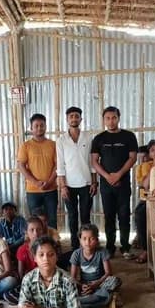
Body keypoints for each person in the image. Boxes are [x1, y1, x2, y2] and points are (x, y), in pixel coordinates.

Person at [5, 236, 91, 308]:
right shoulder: (28, 279)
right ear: (34, 258)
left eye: (50, 254)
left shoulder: (67, 280)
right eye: (41, 255)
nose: (46, 259)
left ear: (56, 257)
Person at [91, 106, 138, 259]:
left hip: (123, 183)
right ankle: (110, 247)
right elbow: (94, 161)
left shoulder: (129, 136)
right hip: (106, 185)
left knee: (124, 216)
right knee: (109, 216)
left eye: (114, 118)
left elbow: (132, 158)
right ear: (104, 120)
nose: (111, 121)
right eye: (108, 118)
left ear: (118, 118)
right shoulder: (99, 139)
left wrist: (119, 174)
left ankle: (125, 247)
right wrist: (107, 176)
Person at [56, 106, 97, 251]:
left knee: (85, 217)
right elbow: (60, 165)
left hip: (86, 183)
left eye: (76, 116)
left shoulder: (88, 138)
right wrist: (63, 187)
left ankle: (87, 245)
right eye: (71, 116)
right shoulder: (61, 140)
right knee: (72, 216)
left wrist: (94, 182)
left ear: (81, 119)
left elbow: (92, 163)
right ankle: (75, 246)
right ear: (67, 119)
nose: (74, 119)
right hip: (69, 185)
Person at [70, 224, 122, 308]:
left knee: (114, 280)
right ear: (80, 240)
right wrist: (81, 286)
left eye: (91, 239)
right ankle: (100, 300)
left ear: (97, 240)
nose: (87, 242)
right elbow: (73, 277)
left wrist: (96, 284)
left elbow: (108, 273)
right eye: (84, 239)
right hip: (84, 286)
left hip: (100, 283)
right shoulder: (76, 254)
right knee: (68, 282)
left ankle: (85, 301)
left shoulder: (102, 252)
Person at [18, 113, 58, 228]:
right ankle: (37, 240)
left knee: (52, 220)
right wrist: (36, 182)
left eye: (42, 125)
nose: (39, 128)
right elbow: (21, 166)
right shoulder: (26, 146)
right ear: (31, 128)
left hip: (51, 190)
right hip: (33, 191)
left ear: (45, 127)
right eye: (36, 126)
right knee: (35, 222)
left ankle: (52, 240)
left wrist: (49, 182)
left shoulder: (53, 145)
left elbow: (58, 165)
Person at [134, 140, 155, 262]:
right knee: (140, 213)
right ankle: (145, 249)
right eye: (152, 150)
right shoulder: (146, 166)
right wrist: (154, 166)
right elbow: (145, 185)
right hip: (150, 198)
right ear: (149, 154)